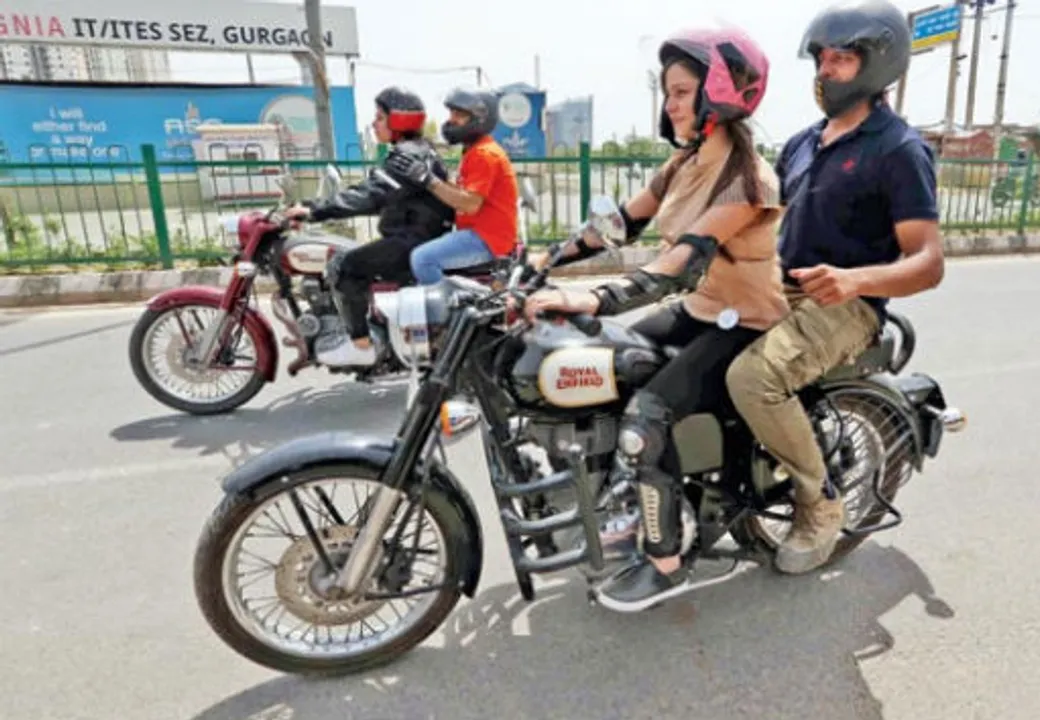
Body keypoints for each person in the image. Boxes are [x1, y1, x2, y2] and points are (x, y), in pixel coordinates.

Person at [524, 27, 783, 612]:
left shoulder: (749, 179)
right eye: (666, 91)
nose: (670, 103)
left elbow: (682, 261)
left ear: (719, 92)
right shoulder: (683, 164)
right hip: (700, 313)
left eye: (682, 91)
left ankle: (666, 564)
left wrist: (596, 297)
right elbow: (618, 224)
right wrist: (545, 259)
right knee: (600, 361)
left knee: (647, 414)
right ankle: (621, 498)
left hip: (745, 323)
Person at [724, 0, 946, 575]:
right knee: (683, 343)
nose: (825, 70)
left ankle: (819, 504)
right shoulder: (802, 142)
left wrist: (855, 281)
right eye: (821, 59)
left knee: (756, 377)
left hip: (847, 307)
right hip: (780, 290)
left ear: (878, 64)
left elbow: (928, 262)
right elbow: (762, 218)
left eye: (842, 59)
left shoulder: (898, 148)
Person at [285, 86, 453, 367]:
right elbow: (378, 195)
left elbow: (369, 194)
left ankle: (360, 345)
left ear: (397, 121)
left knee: (344, 267)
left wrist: (314, 210)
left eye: (379, 117)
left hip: (411, 241)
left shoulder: (407, 156)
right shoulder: (414, 151)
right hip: (415, 237)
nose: (374, 124)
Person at [386, 88, 520, 284]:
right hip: (480, 235)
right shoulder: (474, 151)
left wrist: (428, 180)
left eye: (459, 115)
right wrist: (430, 175)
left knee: (422, 259)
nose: (451, 120)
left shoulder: (485, 154)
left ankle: (446, 309)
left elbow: (469, 204)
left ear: (480, 118)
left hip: (487, 240)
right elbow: (461, 192)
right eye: (451, 113)